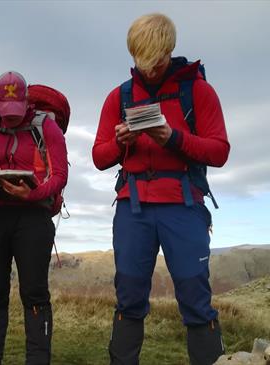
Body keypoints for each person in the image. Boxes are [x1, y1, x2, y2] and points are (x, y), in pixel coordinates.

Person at [92, 13, 230, 365]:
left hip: (184, 205)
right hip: (132, 207)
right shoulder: (119, 96)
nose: (151, 71)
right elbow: (99, 157)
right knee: (129, 295)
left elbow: (219, 151)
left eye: (157, 62)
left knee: (195, 295)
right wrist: (122, 142)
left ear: (169, 51)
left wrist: (173, 138)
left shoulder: (197, 90)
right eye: (143, 63)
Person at [0, 71, 68, 365]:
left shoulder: (47, 128)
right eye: (4, 111)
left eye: (16, 111)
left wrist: (30, 195)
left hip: (33, 219)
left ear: (26, 101)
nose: (10, 117)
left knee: (34, 294)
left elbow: (60, 176)